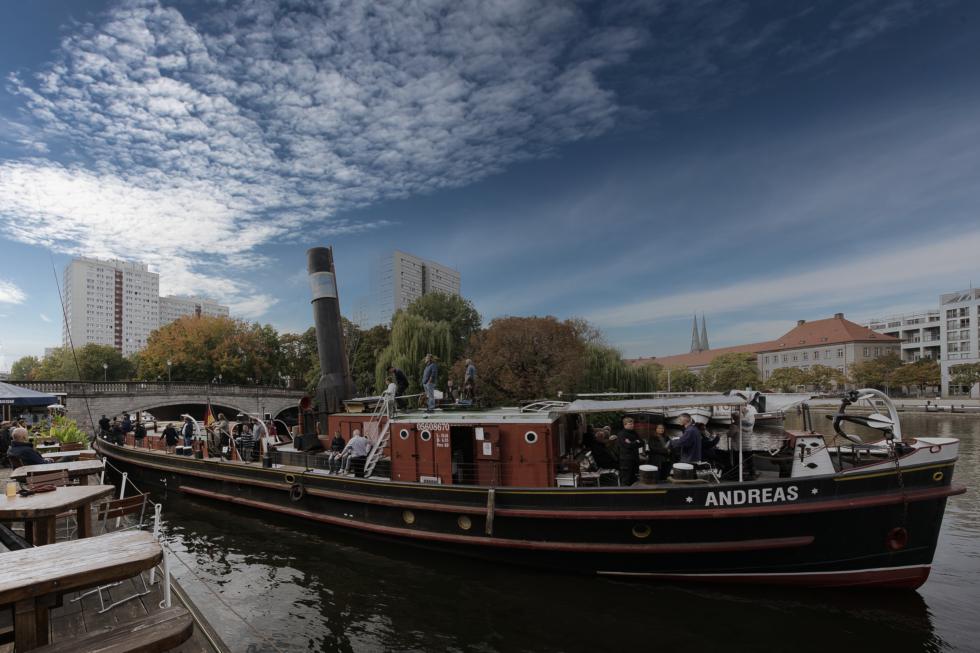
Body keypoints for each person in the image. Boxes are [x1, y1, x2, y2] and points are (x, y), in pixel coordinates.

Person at [617, 417, 643, 486]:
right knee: (626, 479)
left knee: (633, 478)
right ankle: (624, 494)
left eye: (632, 424)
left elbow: (642, 442)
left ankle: (633, 493)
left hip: (634, 459)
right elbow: (627, 446)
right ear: (625, 425)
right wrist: (636, 442)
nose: (632, 425)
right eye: (630, 424)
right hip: (626, 460)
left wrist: (632, 443)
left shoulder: (634, 432)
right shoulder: (621, 434)